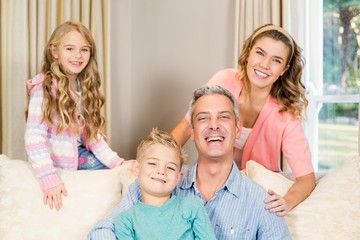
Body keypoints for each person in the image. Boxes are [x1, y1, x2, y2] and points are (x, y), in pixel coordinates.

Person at [88, 85, 291, 240]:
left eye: (223, 117)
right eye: (203, 118)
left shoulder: (262, 202)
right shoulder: (156, 182)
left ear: (238, 129)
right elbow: (101, 231)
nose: (214, 126)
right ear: (192, 132)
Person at [171, 24, 316, 216]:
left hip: (251, 191)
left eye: (276, 60)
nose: (264, 64)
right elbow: (186, 127)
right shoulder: (224, 80)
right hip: (211, 182)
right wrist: (160, 159)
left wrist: (287, 203)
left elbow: (307, 178)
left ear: (284, 69)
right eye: (260, 53)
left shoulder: (286, 115)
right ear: (248, 53)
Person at [25, 21, 130, 211]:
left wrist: (118, 163)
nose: (77, 56)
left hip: (80, 155)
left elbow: (92, 137)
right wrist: (48, 177)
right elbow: (34, 137)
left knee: (125, 175)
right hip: (61, 160)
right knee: (121, 179)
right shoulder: (45, 87)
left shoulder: (83, 86)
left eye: (84, 50)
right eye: (70, 49)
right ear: (54, 52)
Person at [114, 128, 216, 240]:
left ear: (178, 177)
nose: (161, 171)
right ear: (137, 168)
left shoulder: (192, 208)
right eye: (153, 163)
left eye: (170, 167)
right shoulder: (125, 221)